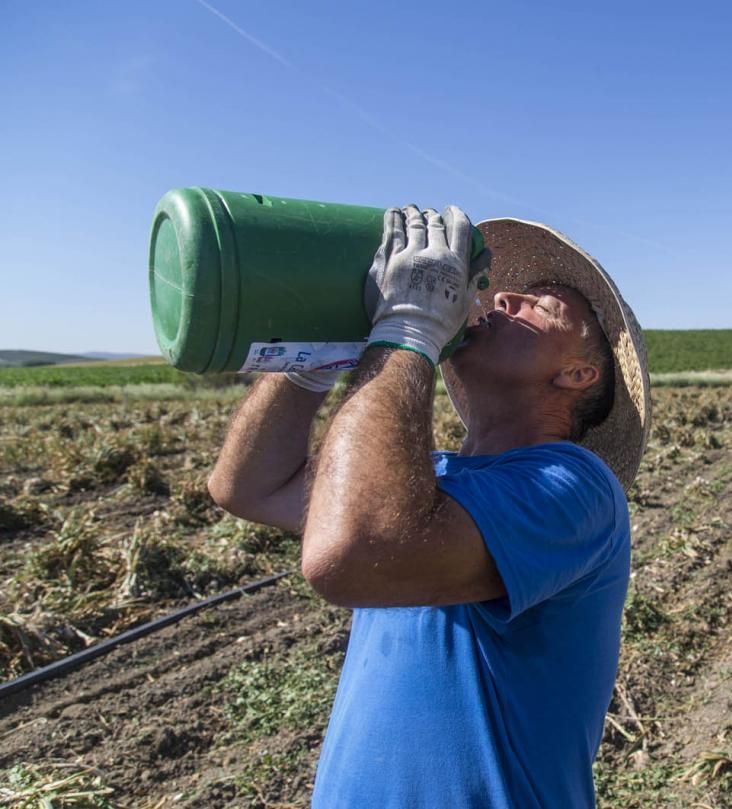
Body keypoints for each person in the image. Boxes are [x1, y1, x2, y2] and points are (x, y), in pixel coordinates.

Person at [207, 206, 651, 808]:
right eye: (509, 291)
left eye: (544, 309)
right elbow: (247, 487)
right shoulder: (429, 478)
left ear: (577, 373)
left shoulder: (577, 487)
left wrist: (409, 329)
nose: (507, 298)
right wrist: (312, 362)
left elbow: (353, 553)